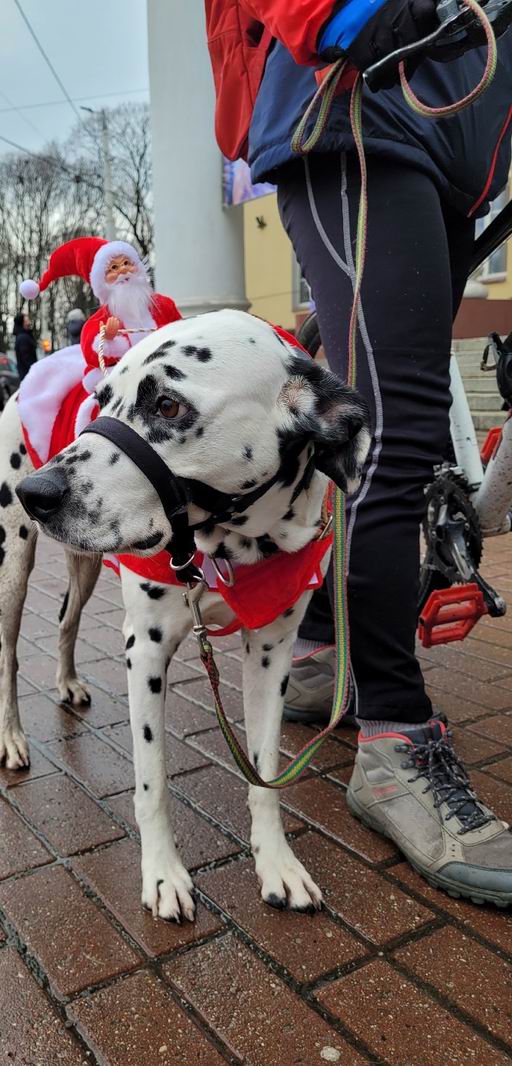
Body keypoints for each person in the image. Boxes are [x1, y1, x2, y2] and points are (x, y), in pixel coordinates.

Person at [206, 0, 512, 905]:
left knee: (366, 410)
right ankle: (392, 742)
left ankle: (317, 653)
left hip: (450, 132)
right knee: (396, 427)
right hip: (358, 103)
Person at [17, 237, 181, 466]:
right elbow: (91, 351)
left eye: (127, 263)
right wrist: (109, 338)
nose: (123, 270)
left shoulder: (163, 305)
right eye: (113, 268)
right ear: (103, 282)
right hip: (121, 384)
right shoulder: (102, 318)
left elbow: (181, 332)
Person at [13, 312, 37, 383]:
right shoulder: (23, 338)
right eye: (27, 319)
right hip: (28, 377)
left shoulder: (23, 336)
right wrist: (34, 371)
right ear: (23, 322)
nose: (29, 320)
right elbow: (27, 358)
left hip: (27, 376)